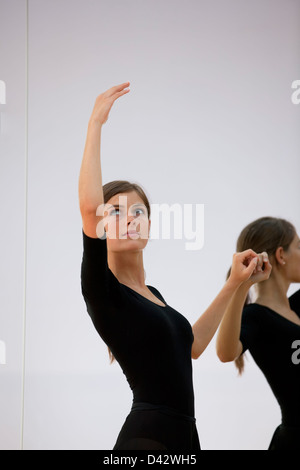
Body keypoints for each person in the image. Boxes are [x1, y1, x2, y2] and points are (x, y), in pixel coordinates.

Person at [78, 82, 267, 450]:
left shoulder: (154, 296)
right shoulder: (102, 289)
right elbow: (88, 207)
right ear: (101, 223)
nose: (129, 218)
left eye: (138, 211)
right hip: (148, 437)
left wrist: (234, 284)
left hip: (185, 436)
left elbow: (192, 347)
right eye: (115, 211)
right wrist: (96, 124)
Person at [216, 216, 300, 450]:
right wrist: (241, 284)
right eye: (299, 247)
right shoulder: (256, 317)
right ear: (281, 255)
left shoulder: (298, 306)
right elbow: (225, 353)